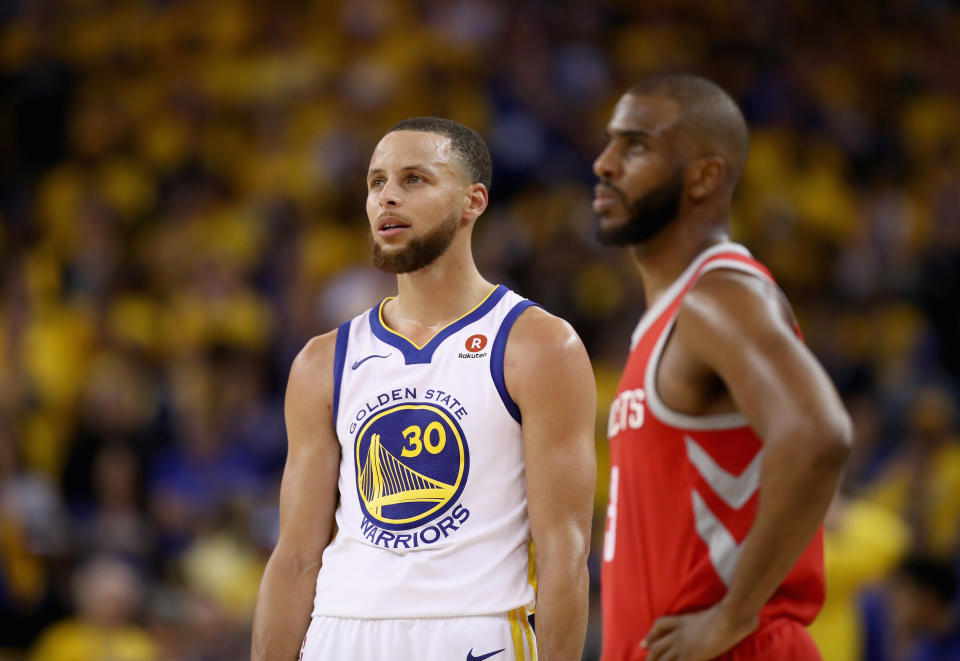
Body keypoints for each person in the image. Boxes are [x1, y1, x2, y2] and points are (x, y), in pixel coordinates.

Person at [251, 117, 596, 661]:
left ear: (472, 202)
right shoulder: (323, 360)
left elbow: (565, 553)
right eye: (376, 182)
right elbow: (294, 557)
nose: (387, 197)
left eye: (414, 179)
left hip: (476, 632)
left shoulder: (539, 345)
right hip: (341, 631)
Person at [593, 74, 852, 661]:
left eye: (636, 145)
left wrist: (734, 614)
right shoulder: (671, 316)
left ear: (704, 176)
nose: (604, 163)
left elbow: (818, 435)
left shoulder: (719, 297)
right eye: (610, 141)